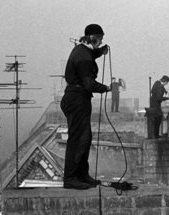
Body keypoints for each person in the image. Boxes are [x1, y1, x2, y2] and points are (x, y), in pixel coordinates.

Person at [60, 24, 111, 189]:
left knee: (85, 138)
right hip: (77, 100)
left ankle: (81, 174)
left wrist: (100, 51)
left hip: (76, 99)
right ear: (92, 38)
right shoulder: (84, 57)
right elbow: (88, 83)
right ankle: (70, 178)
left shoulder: (82, 50)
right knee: (77, 139)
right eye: (99, 39)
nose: (100, 41)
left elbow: (89, 56)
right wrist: (106, 88)